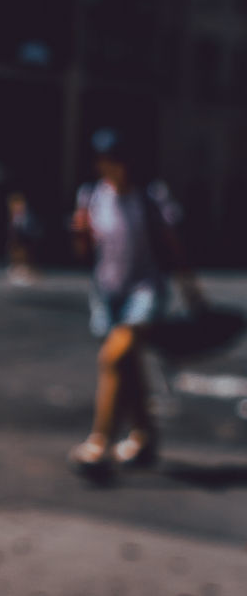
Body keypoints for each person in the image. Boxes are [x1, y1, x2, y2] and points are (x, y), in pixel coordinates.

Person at [68, 128, 202, 475]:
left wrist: (189, 287)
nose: (110, 167)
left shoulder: (151, 196)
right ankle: (144, 436)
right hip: (108, 292)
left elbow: (173, 247)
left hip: (145, 291)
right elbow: (86, 252)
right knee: (129, 367)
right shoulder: (92, 195)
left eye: (115, 160)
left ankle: (99, 442)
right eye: (104, 161)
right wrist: (80, 234)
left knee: (113, 357)